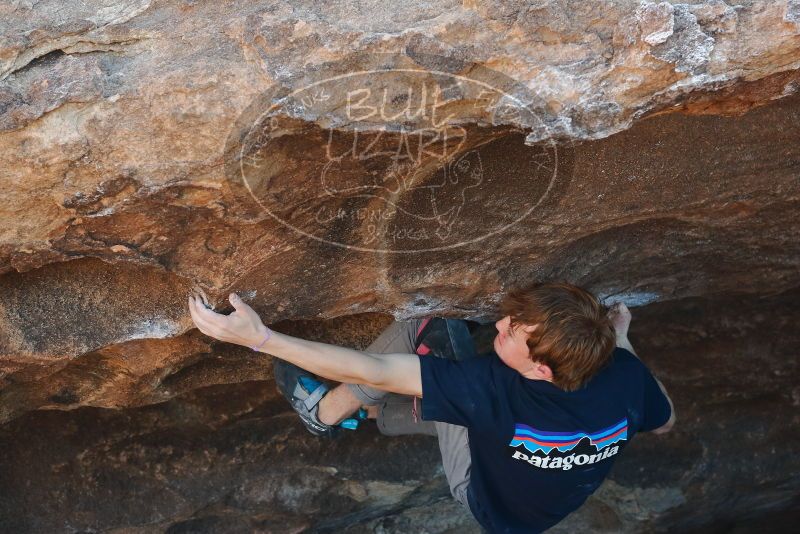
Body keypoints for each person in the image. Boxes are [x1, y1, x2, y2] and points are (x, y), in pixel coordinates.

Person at [188, 282, 675, 533]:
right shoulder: (624, 378)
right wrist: (624, 343)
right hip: (539, 511)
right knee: (475, 416)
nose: (500, 323)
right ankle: (380, 418)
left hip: (485, 498)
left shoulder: (491, 389)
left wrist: (262, 339)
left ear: (543, 370)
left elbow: (376, 368)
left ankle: (325, 413)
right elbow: (664, 421)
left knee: (424, 327)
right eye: (512, 319)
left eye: (509, 334)